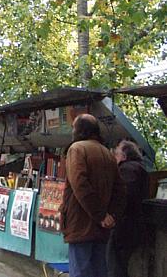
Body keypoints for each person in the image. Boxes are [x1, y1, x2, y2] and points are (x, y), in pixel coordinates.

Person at [60, 114, 126, 277]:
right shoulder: (108, 153)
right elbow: (120, 190)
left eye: (74, 128)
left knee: (80, 271)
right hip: (102, 227)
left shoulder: (77, 149)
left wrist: (100, 215)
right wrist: (111, 216)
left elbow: (80, 184)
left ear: (80, 130)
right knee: (99, 271)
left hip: (81, 223)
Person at [107, 140, 148, 277]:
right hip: (133, 225)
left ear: (124, 156)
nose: (114, 156)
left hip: (124, 227)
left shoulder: (127, 170)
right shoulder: (139, 168)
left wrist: (112, 215)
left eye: (117, 153)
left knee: (115, 266)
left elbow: (125, 196)